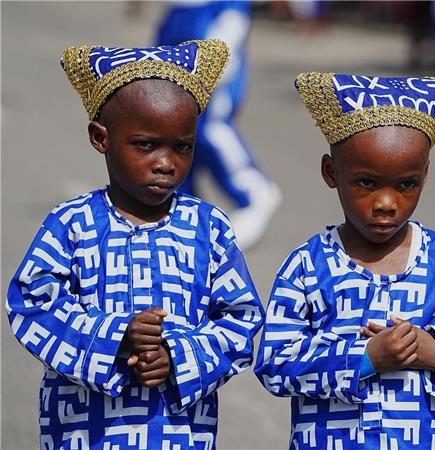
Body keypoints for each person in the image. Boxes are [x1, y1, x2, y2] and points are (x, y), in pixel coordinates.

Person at [6, 39, 265, 449]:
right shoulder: (72, 223)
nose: (166, 162)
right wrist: (116, 335)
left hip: (178, 434)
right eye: (146, 145)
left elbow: (241, 318)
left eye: (182, 146)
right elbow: (32, 304)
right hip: (85, 433)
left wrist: (179, 358)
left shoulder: (208, 226)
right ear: (100, 138)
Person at [253, 72, 435, 449]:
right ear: (331, 173)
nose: (386, 204)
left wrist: (434, 351)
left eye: (405, 184)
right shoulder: (308, 266)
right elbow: (274, 364)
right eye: (367, 183)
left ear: (424, 176)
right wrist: (364, 358)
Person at [156, 0, 282, 251]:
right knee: (175, 201)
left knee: (257, 196)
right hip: (177, 119)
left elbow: (221, 61)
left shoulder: (227, 9)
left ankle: (215, 254)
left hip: (206, 115)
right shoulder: (178, 11)